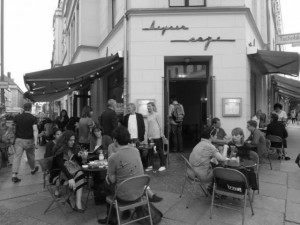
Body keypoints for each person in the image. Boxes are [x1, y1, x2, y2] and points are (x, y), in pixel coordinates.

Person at [97, 126, 162, 225]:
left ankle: (111, 219)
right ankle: (129, 212)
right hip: (139, 192)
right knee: (121, 182)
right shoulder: (136, 151)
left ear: (114, 140)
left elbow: (112, 180)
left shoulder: (113, 158)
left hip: (124, 196)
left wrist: (108, 177)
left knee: (106, 185)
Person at [52, 130, 86, 212]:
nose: (73, 142)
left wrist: (80, 156)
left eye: (74, 140)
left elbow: (77, 162)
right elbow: (61, 166)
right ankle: (76, 202)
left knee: (80, 175)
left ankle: (73, 200)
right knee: (81, 175)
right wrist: (70, 178)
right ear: (65, 140)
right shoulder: (59, 149)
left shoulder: (72, 148)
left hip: (73, 171)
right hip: (61, 174)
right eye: (71, 140)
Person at [188, 127, 228, 192]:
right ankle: (219, 191)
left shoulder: (199, 143)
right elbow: (222, 159)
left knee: (214, 164)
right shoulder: (210, 146)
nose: (216, 136)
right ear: (211, 136)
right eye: (215, 135)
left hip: (190, 173)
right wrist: (225, 147)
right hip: (200, 176)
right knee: (221, 169)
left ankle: (212, 188)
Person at [12, 103, 39, 183]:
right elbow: (35, 130)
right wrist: (36, 142)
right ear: (30, 108)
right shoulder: (33, 118)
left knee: (17, 157)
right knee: (31, 156)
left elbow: (13, 128)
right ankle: (33, 169)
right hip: (29, 141)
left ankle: (14, 175)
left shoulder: (17, 117)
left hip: (19, 140)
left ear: (23, 108)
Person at [146, 102, 166, 172]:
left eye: (150, 106)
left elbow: (160, 125)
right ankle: (150, 165)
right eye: (147, 106)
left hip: (157, 136)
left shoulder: (157, 114)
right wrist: (148, 135)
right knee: (150, 151)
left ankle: (163, 165)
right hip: (150, 137)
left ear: (153, 107)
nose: (148, 107)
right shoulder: (148, 115)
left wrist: (161, 135)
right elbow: (149, 126)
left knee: (159, 150)